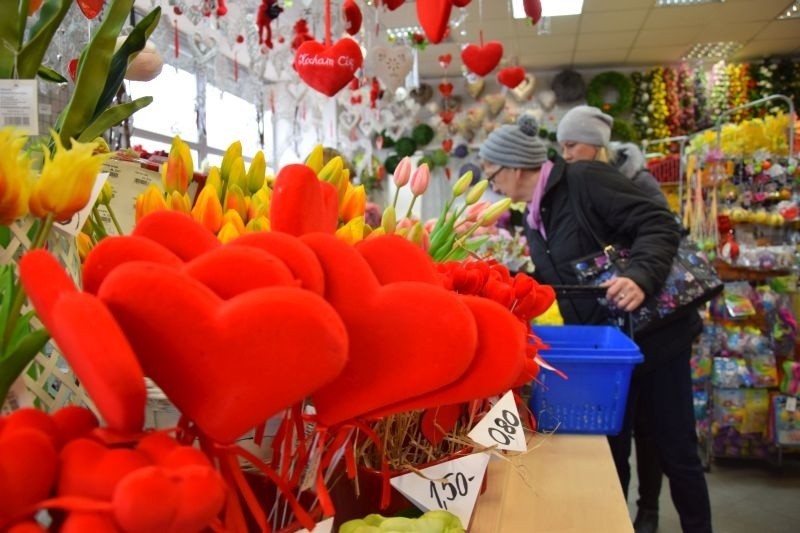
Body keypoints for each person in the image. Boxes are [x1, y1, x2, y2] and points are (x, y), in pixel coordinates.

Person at [479, 114, 712, 533]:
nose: (490, 182)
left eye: (491, 172)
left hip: (656, 338)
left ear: (514, 167)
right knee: (611, 453)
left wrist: (640, 276)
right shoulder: (536, 216)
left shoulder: (584, 180)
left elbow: (659, 223)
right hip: (606, 351)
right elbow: (559, 277)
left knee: (676, 451)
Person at [559, 108, 669, 533]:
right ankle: (620, 516)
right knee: (620, 430)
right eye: (562, 146)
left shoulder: (636, 182)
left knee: (651, 428)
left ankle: (650, 507)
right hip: (616, 326)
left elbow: (660, 235)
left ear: (597, 145)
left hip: (655, 322)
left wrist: (637, 274)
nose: (566, 154)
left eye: (573, 145)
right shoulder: (578, 185)